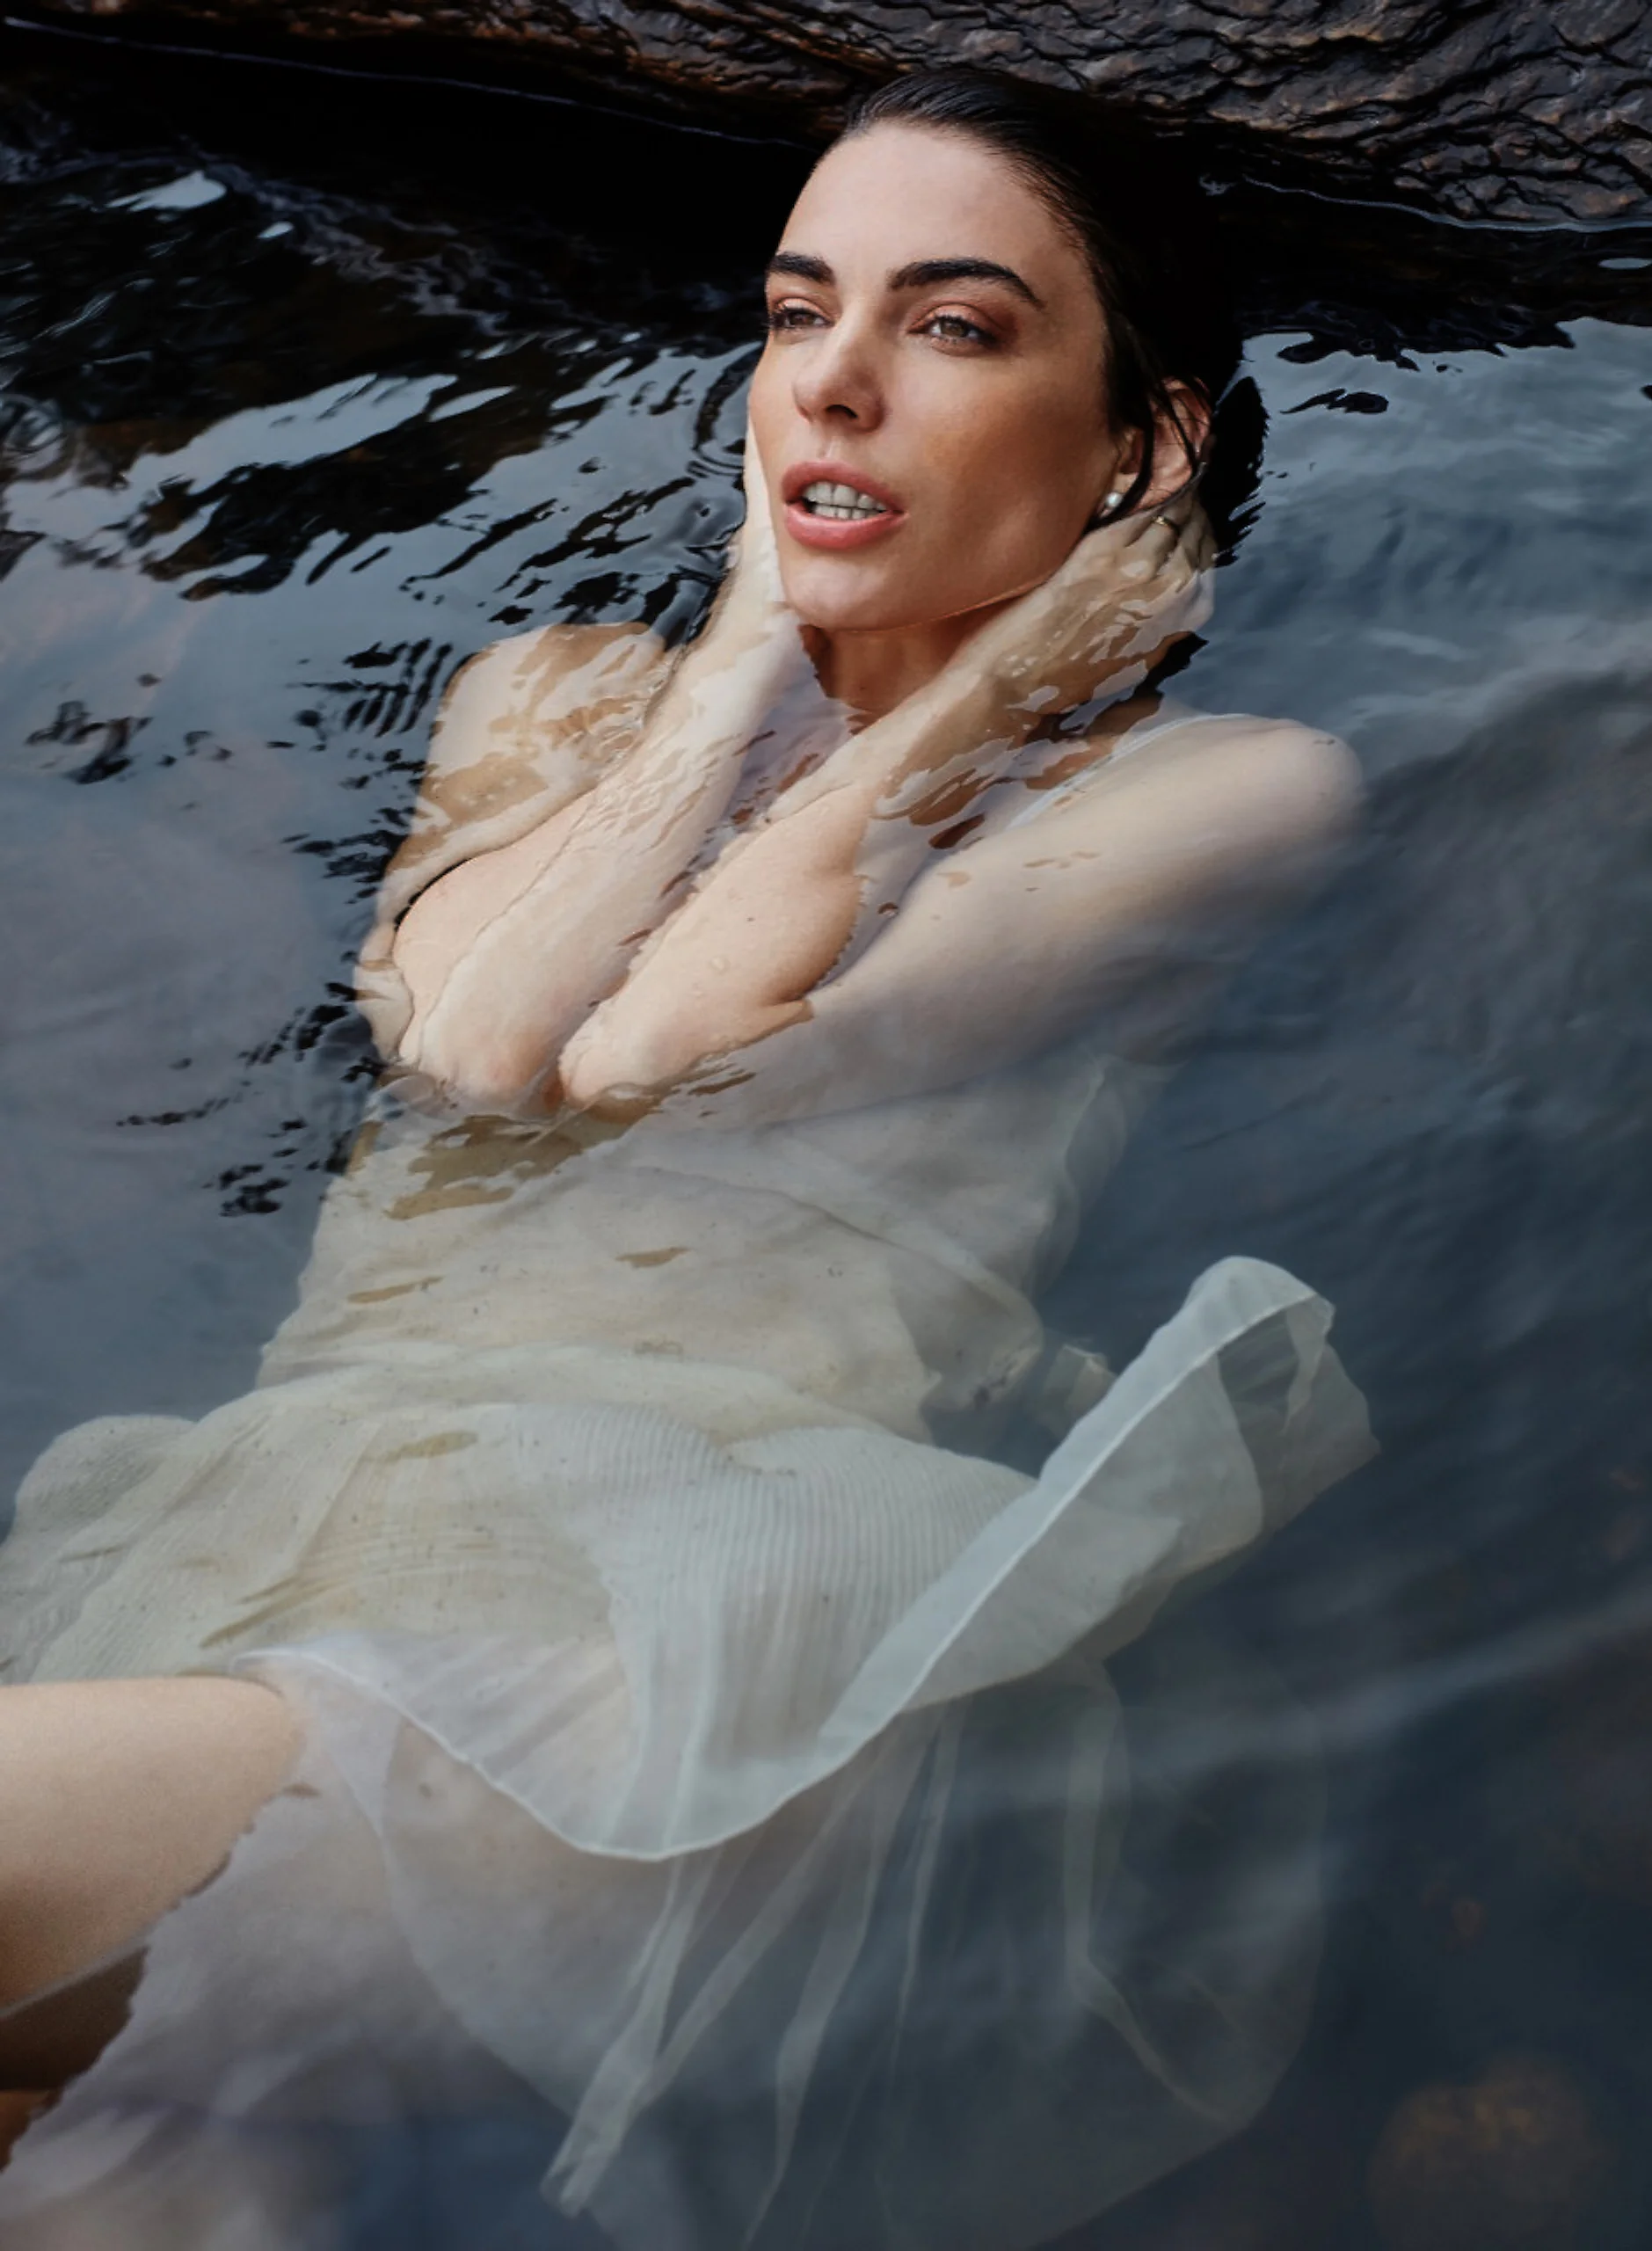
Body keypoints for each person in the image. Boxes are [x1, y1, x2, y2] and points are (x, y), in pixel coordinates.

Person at [0, 67, 1372, 2250]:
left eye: (952, 325)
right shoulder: (555, 690)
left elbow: (661, 1047)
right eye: (798, 310)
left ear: (1146, 443)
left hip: (665, 1670)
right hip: (295, 1541)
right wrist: (740, 655)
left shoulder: (1219, 788)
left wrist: (957, 700)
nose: (832, 381)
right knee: (121, 2183)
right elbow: (474, 1040)